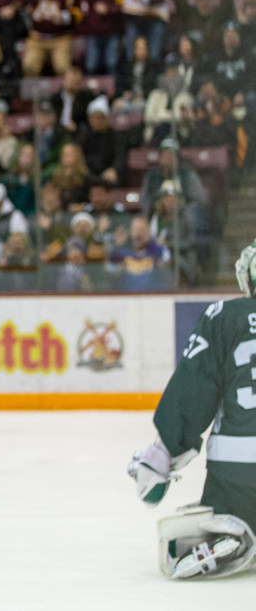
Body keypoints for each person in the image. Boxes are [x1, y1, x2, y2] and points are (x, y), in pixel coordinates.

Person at [126, 242, 256, 579]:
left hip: (240, 469)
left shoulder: (224, 316)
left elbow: (193, 390)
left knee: (236, 504)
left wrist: (163, 453)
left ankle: (232, 528)